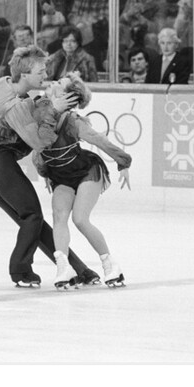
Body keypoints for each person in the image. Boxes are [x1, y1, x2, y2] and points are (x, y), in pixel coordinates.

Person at [0, 45, 101, 287]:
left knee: (32, 221)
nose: (45, 74)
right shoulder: (15, 105)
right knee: (32, 216)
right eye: (40, 70)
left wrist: (44, 105)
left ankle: (78, 269)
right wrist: (54, 109)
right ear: (25, 73)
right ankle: (20, 271)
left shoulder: (2, 83)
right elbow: (39, 141)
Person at [31, 74, 131, 289]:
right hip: (60, 175)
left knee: (80, 219)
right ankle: (63, 267)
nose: (53, 83)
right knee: (59, 217)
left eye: (60, 84)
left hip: (85, 170)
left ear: (66, 96)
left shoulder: (72, 121)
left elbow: (98, 139)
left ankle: (110, 265)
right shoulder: (39, 110)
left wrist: (123, 162)